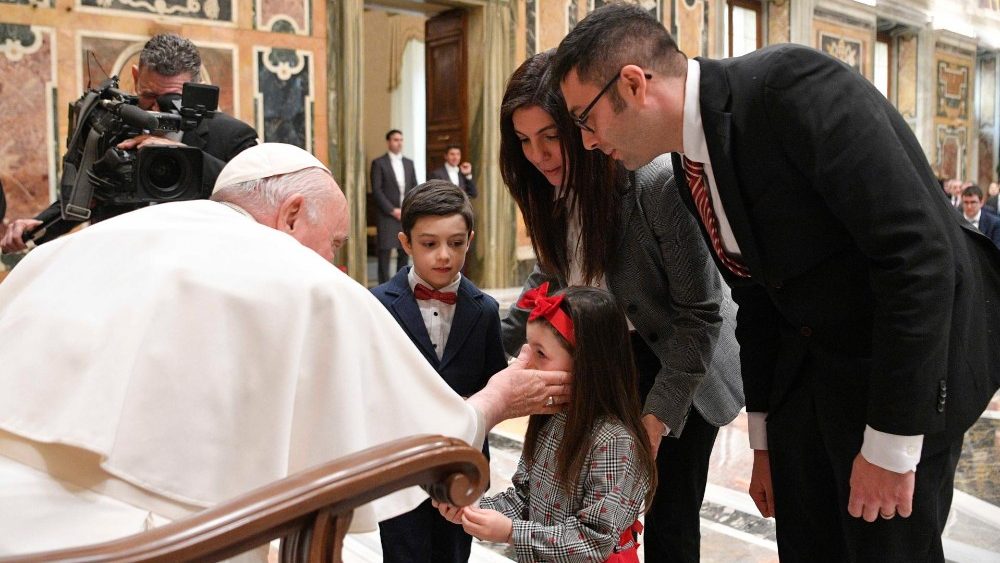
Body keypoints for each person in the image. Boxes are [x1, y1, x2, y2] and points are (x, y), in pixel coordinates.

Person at [550, 5, 1000, 561]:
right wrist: (765, 437)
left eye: (584, 119)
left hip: (902, 372)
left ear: (634, 84)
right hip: (812, 376)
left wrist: (890, 445)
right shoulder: (693, 163)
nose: (587, 142)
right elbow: (757, 295)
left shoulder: (790, 89)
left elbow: (918, 258)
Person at [0, 143, 572, 555]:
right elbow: (416, 431)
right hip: (163, 540)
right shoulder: (300, 279)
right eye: (336, 242)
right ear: (293, 215)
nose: (334, 261)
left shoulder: (90, 242)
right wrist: (495, 399)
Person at [498, 50, 742, 562]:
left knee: (669, 513)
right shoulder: (554, 193)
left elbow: (700, 314)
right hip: (614, 354)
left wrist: (657, 419)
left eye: (549, 136)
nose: (539, 155)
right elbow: (548, 274)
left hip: (682, 362)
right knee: (591, 506)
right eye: (523, 141)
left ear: (581, 125)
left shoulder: (653, 184)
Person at [436, 285, 656, 562]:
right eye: (526, 351)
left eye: (540, 354)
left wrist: (512, 533)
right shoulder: (551, 417)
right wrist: (474, 510)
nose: (525, 366)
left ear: (586, 362)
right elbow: (524, 498)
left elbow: (593, 541)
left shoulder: (613, 441)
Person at [0, 33, 258, 253]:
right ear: (135, 77)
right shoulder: (112, 126)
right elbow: (90, 197)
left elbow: (257, 200)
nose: (156, 109)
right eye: (148, 96)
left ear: (197, 88)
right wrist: (37, 227)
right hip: (118, 269)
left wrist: (188, 157)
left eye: (172, 99)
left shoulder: (232, 136)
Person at [372, 180, 506, 563]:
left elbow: (493, 389)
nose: (444, 255)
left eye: (456, 243)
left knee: (453, 553)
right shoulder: (377, 305)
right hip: (400, 464)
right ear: (406, 242)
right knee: (403, 554)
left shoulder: (485, 311)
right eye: (430, 244)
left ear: (471, 239)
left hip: (460, 465)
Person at [371, 129, 419, 283]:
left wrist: (407, 208)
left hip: (405, 214)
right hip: (387, 215)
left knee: (404, 251)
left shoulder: (409, 163)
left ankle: (401, 285)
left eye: (401, 140)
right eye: (395, 140)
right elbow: (376, 190)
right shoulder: (379, 163)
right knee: (384, 252)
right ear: (388, 142)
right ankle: (383, 287)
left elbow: (414, 186)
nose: (399, 143)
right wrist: (392, 210)